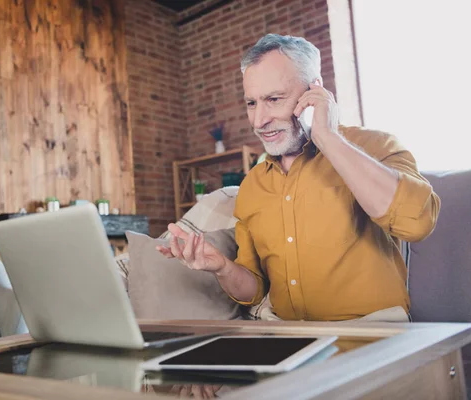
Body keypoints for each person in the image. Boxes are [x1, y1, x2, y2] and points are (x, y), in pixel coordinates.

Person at [157, 34, 440, 322]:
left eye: (274, 99)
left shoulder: (374, 147)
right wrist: (221, 267)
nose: (258, 121)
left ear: (314, 92)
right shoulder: (253, 185)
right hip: (287, 337)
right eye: (252, 103)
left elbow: (417, 222)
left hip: (370, 336)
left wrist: (327, 137)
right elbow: (255, 289)